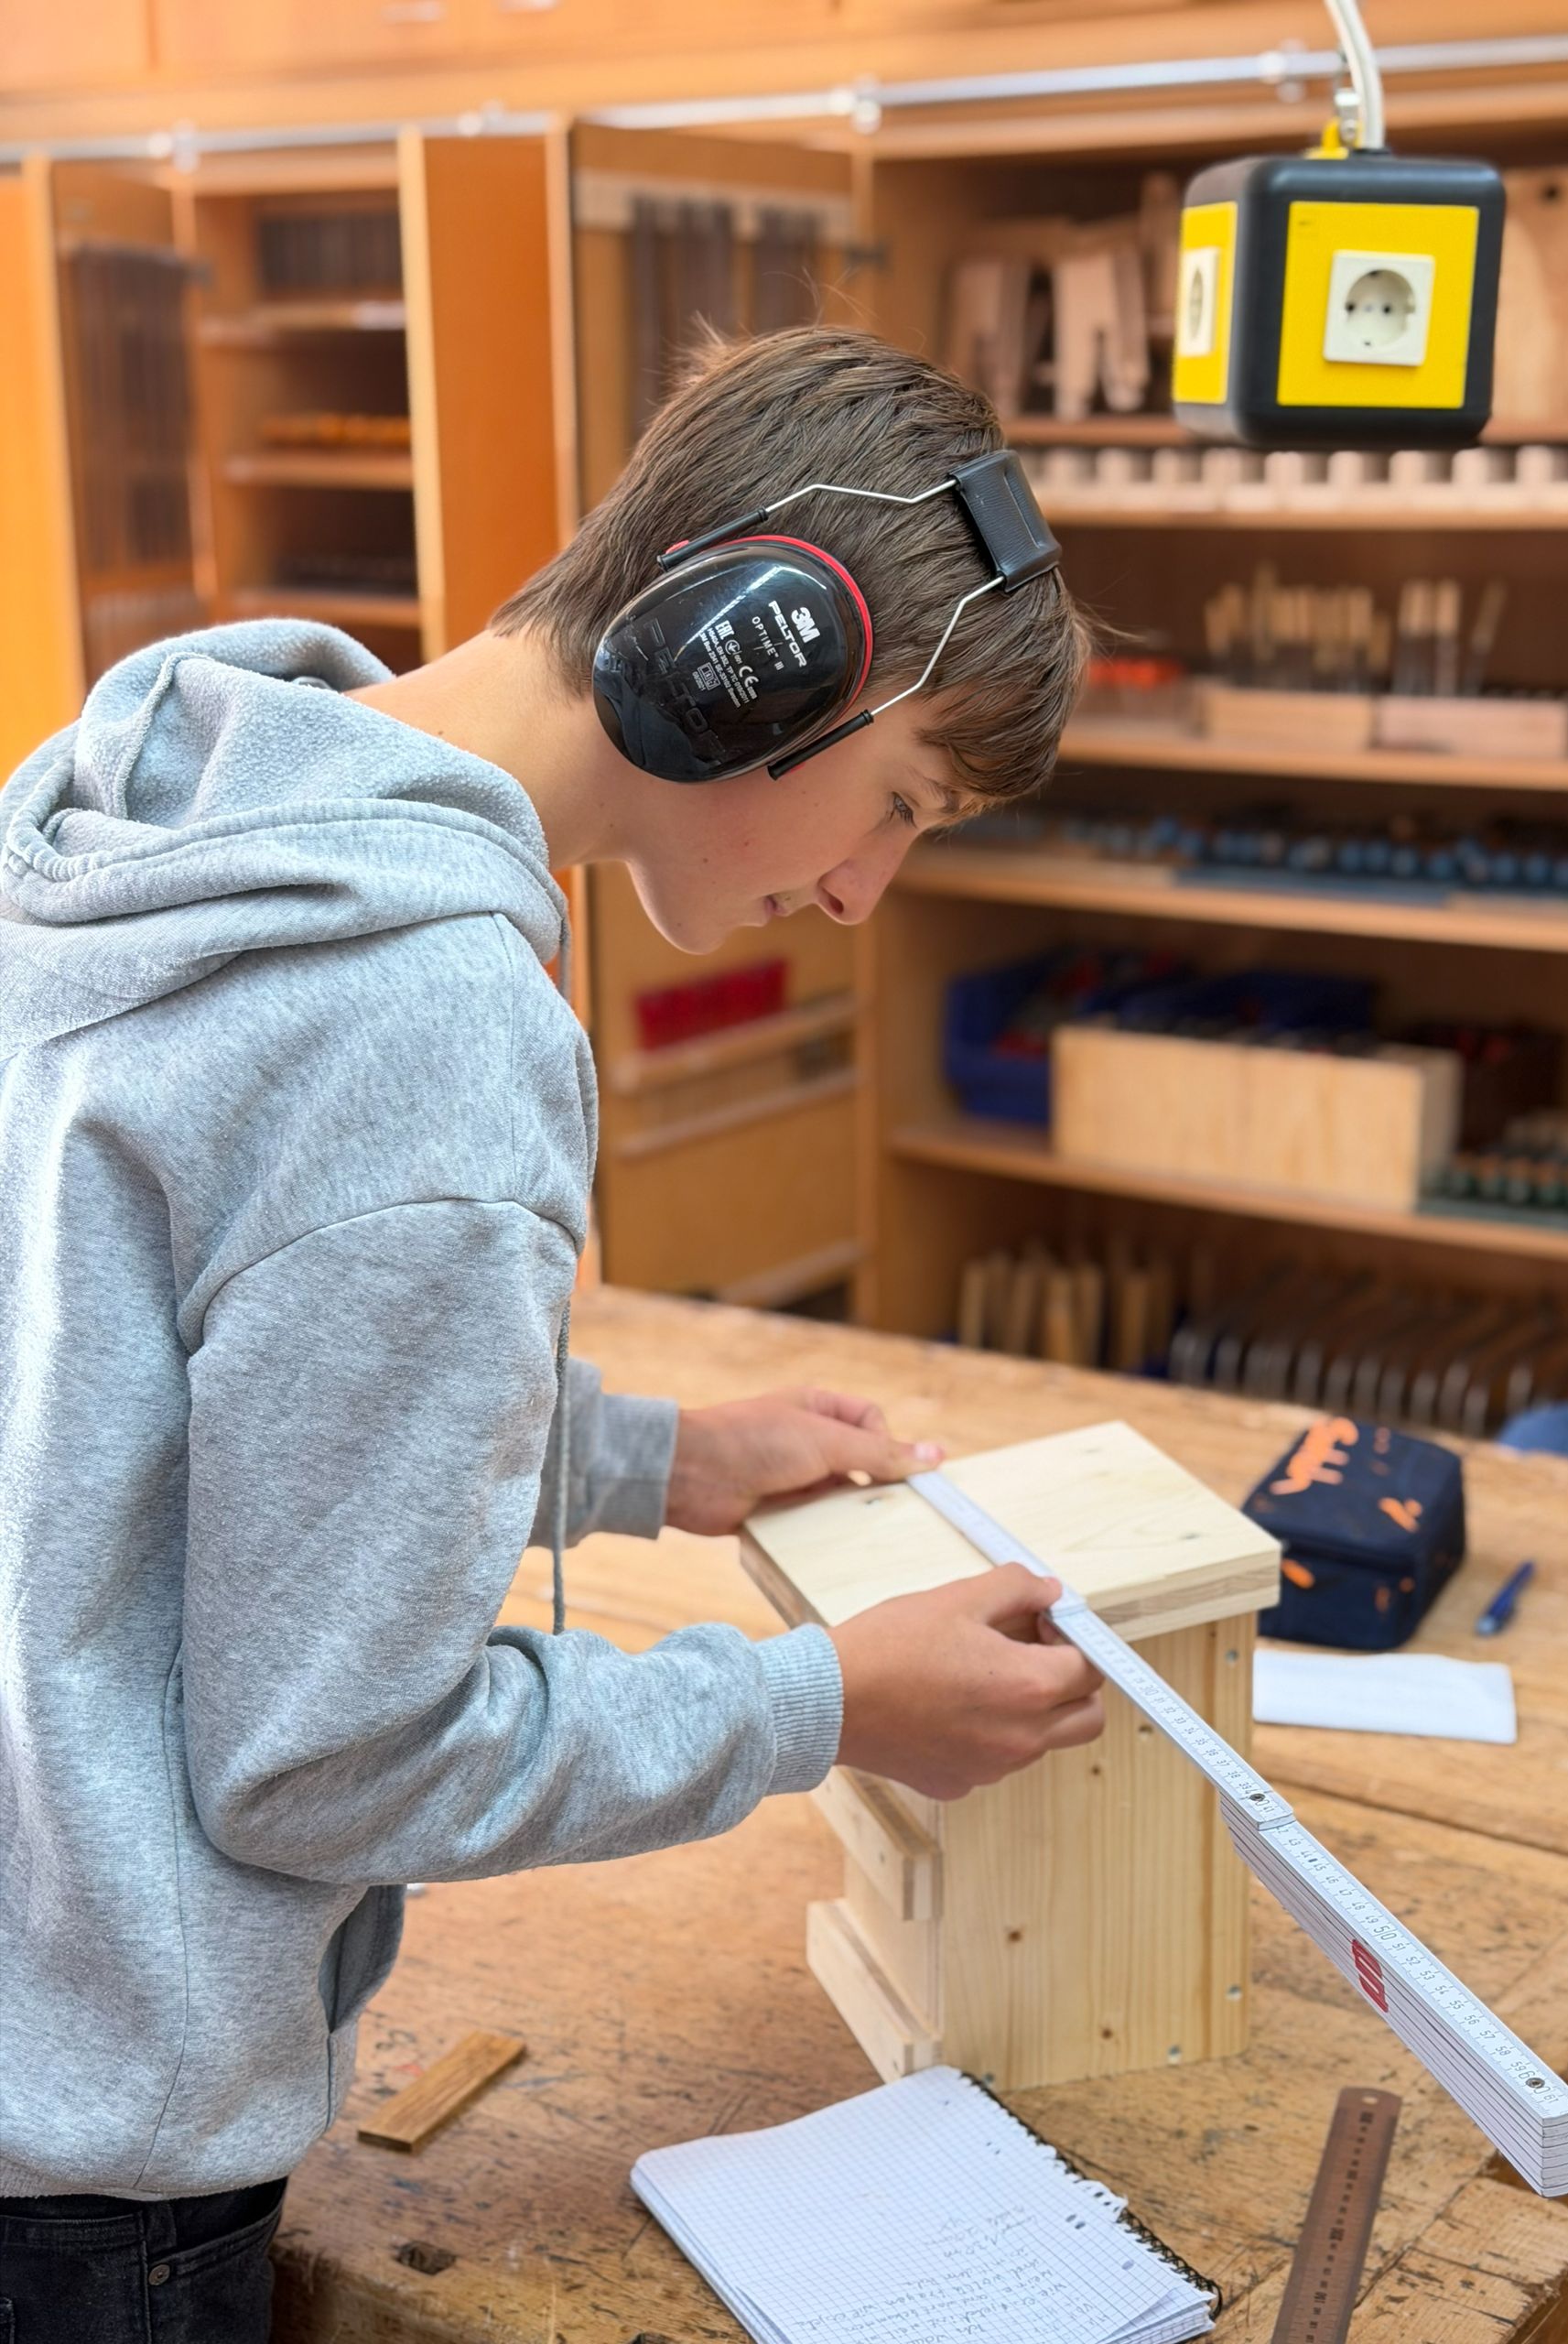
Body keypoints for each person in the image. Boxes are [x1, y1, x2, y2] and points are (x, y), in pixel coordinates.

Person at [0, 324, 1100, 2340]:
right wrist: (820, 1701)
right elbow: (328, 1759)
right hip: (84, 2176)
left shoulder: (139, 808)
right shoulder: (426, 1023)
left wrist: (636, 1455)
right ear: (749, 658)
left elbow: (132, 1380)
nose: (864, 890)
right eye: (901, 799)